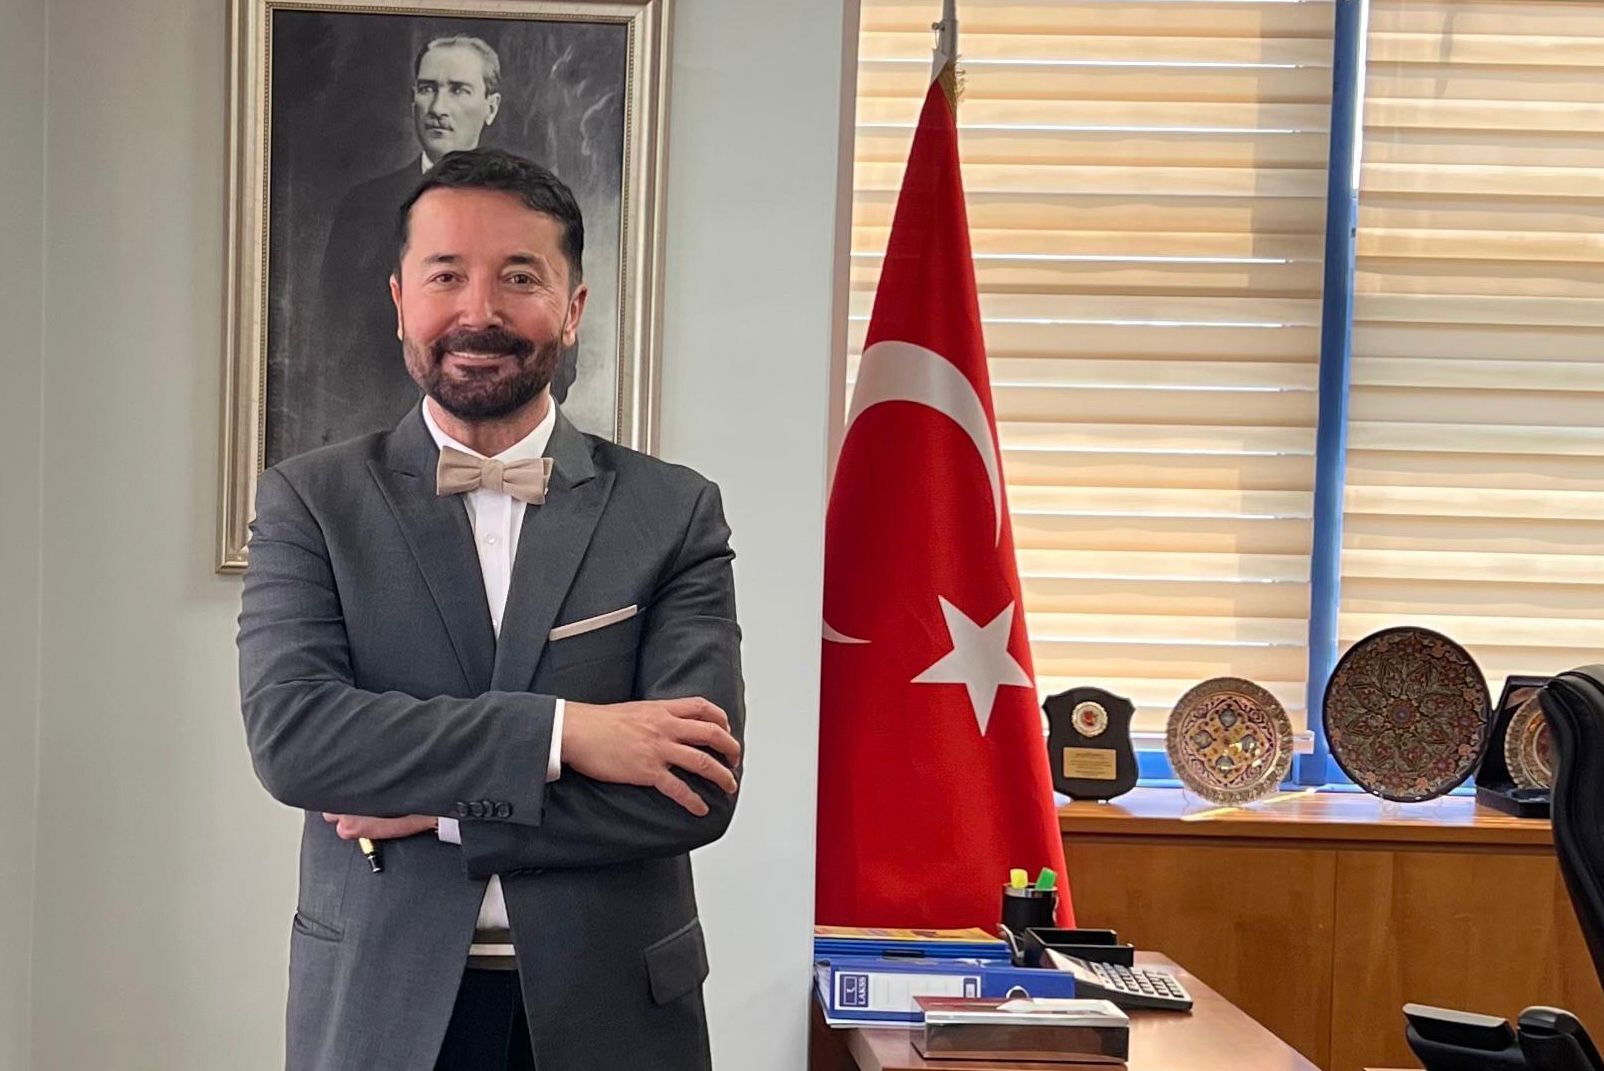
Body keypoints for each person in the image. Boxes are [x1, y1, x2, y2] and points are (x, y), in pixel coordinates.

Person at [239, 148, 743, 1071]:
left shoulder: (674, 510)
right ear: (401, 302)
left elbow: (695, 786)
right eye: (447, 276)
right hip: (381, 1008)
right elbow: (297, 741)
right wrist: (566, 733)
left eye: (519, 277)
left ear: (574, 308)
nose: (479, 312)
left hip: (616, 1014)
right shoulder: (309, 501)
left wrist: (444, 813)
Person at [296, 36, 577, 460]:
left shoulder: (543, 213)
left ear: (491, 106)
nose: (438, 107)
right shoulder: (362, 208)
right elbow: (332, 345)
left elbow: (560, 358)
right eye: (428, 89)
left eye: (458, 90)